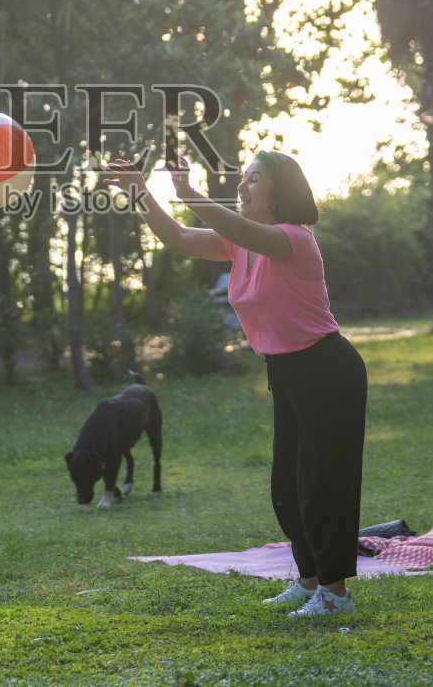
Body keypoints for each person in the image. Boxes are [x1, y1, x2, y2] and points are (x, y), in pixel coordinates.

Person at [105, 151, 368, 618]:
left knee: (322, 485)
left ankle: (336, 595)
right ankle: (309, 583)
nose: (243, 186)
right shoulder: (238, 244)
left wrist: (188, 191)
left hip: (327, 369)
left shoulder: (295, 240)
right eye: (242, 177)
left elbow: (242, 229)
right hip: (285, 372)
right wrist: (139, 192)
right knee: (286, 488)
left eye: (254, 179)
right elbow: (179, 237)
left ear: (278, 193)